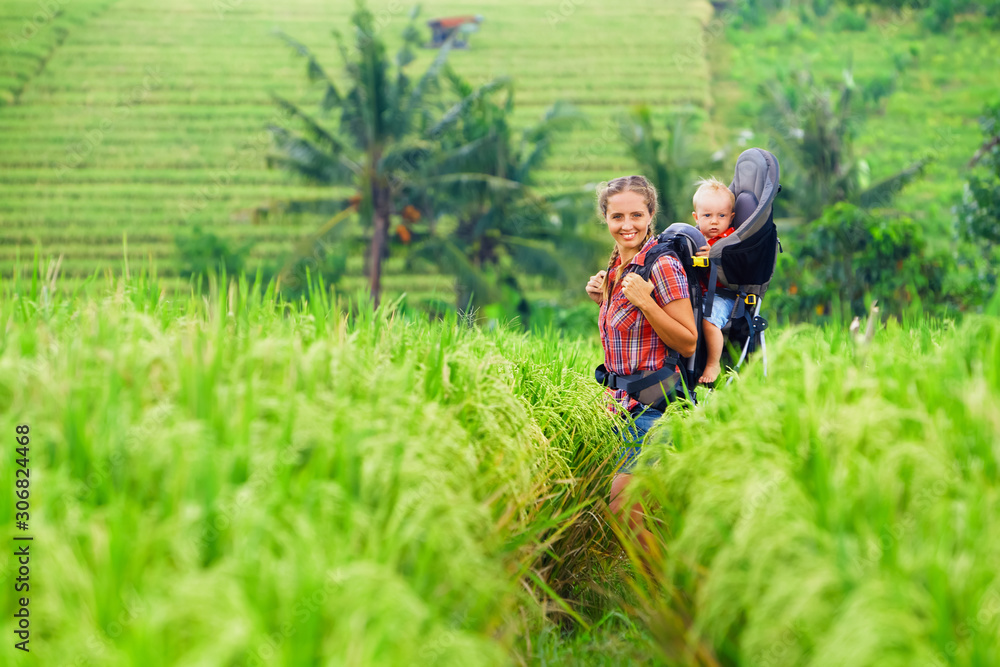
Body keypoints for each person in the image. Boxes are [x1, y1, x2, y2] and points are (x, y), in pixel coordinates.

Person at [585, 175, 698, 554]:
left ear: (651, 215)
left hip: (655, 411)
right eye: (617, 216)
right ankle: (667, 597)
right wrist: (603, 299)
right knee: (629, 516)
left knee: (622, 511)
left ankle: (678, 604)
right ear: (606, 218)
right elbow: (628, 336)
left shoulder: (661, 265)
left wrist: (648, 302)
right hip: (618, 411)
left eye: (637, 214)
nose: (627, 224)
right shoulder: (617, 266)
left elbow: (687, 339)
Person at [691, 177, 737, 385]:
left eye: (722, 215)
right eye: (707, 215)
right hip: (699, 293)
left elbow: (738, 265)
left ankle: (713, 363)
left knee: (709, 322)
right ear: (696, 217)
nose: (714, 221)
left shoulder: (731, 240)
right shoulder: (695, 237)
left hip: (723, 295)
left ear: (731, 217)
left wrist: (719, 255)